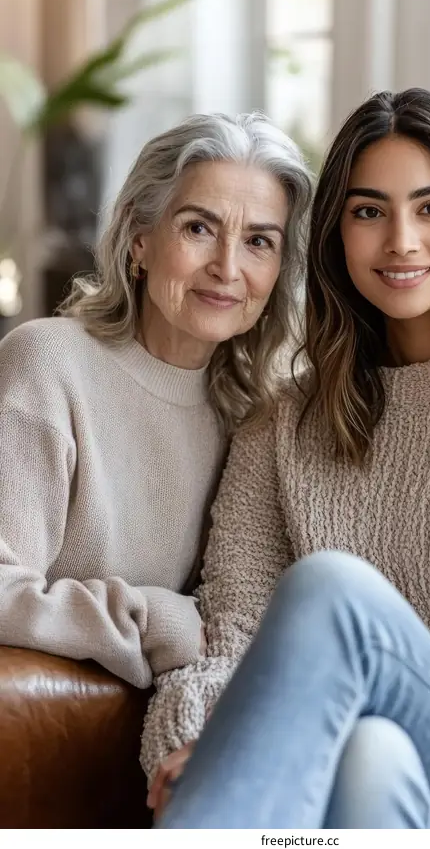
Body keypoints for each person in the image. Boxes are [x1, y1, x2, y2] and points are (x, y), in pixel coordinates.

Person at [142, 90, 430, 829]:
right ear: (332, 236)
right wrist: (203, 734)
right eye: (367, 212)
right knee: (371, 754)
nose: (401, 241)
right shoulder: (282, 426)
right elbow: (231, 641)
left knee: (332, 593)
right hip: (369, 779)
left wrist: (324, 692)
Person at [0, 113, 312, 688]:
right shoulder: (47, 364)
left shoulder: (257, 416)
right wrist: (158, 620)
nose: (227, 267)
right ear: (140, 240)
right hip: (60, 736)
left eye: (259, 242)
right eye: (198, 228)